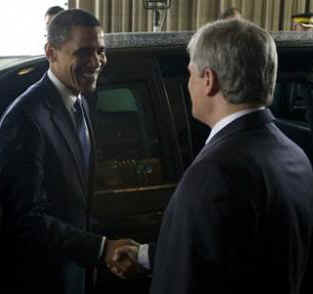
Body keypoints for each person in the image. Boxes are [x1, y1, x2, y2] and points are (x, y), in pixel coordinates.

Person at [113, 18, 313, 294]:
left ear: (208, 80)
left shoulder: (215, 172)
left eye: (190, 74)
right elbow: (232, 252)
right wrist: (147, 255)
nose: (188, 85)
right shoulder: (295, 154)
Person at [0, 8, 136, 294]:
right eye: (84, 52)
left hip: (77, 274)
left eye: (100, 51)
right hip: (43, 279)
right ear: (51, 52)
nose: (96, 62)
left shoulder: (80, 99)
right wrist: (100, 249)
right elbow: (23, 218)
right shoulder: (24, 119)